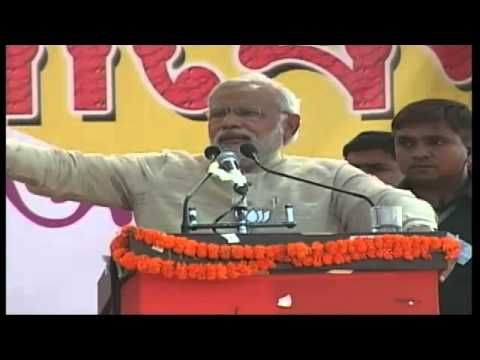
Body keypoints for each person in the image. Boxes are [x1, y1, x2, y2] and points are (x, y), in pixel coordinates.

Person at [7, 73, 438, 236]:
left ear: (289, 126)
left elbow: (394, 203)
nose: (230, 123)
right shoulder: (160, 173)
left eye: (248, 113)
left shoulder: (329, 179)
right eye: (220, 114)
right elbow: (63, 170)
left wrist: (416, 228)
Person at [392, 99, 472, 314]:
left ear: (468, 148)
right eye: (406, 143)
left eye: (435, 142)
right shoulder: (377, 208)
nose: (419, 153)